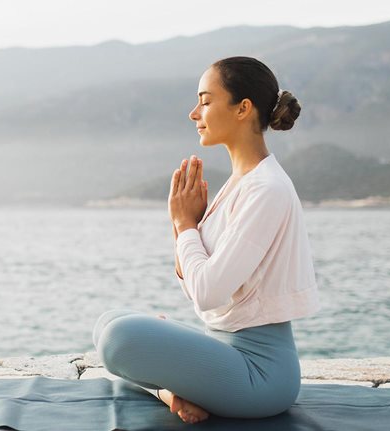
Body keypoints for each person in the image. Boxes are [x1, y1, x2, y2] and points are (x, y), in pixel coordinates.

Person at [92, 56, 321, 424]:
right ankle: (172, 392)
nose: (194, 113)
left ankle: (170, 389)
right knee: (108, 322)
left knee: (119, 338)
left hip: (260, 376)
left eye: (206, 100)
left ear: (243, 108)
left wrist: (185, 225)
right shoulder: (239, 184)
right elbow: (196, 286)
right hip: (222, 346)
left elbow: (207, 292)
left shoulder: (267, 189)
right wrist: (183, 225)